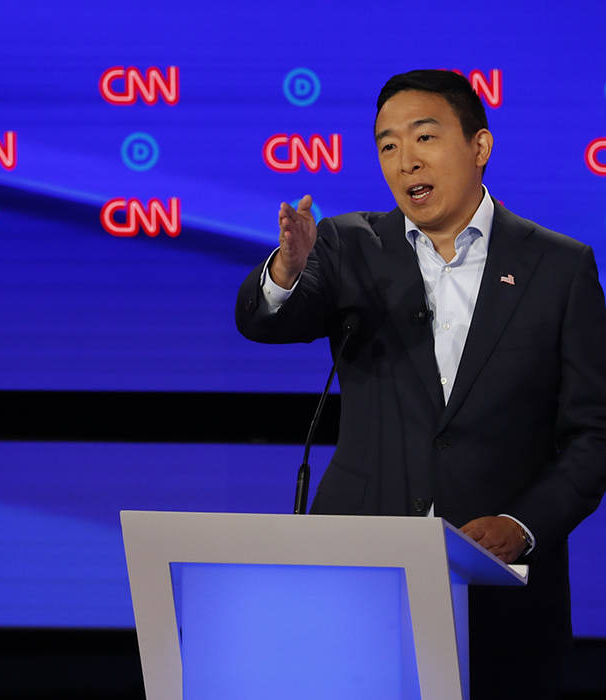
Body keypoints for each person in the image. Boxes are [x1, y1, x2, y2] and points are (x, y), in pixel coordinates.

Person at [235, 70, 606, 698]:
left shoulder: (560, 267)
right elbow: (265, 322)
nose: (405, 161)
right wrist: (286, 271)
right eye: (387, 146)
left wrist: (524, 523)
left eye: (424, 137)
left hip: (499, 587)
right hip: (360, 568)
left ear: (480, 146)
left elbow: (594, 434)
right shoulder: (350, 244)